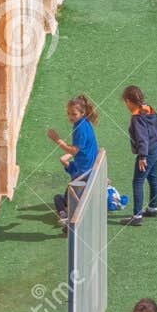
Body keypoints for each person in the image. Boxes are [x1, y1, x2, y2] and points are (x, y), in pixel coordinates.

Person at [47, 95, 100, 226]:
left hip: (84, 170)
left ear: (83, 113)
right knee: (67, 197)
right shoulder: (84, 123)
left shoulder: (80, 128)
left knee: (63, 199)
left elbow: (74, 150)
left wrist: (57, 139)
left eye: (74, 114)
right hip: (88, 165)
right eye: (69, 113)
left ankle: (67, 220)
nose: (71, 117)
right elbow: (82, 147)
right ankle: (67, 216)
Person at [122, 85, 157, 227]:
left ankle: (137, 215)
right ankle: (153, 208)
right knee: (153, 177)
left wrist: (142, 157)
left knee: (138, 182)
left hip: (147, 152)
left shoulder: (136, 117)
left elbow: (142, 138)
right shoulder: (149, 109)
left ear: (128, 101)